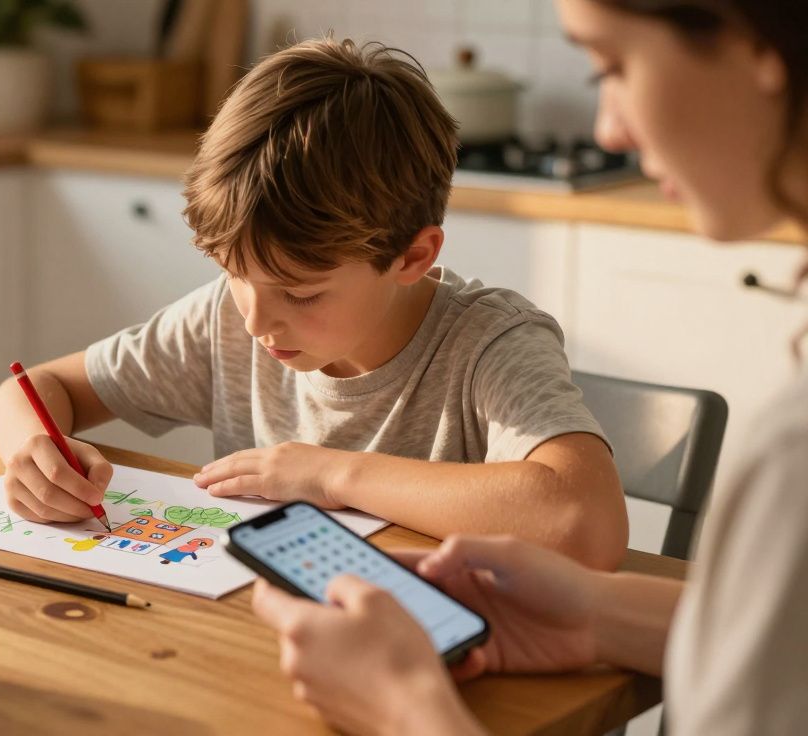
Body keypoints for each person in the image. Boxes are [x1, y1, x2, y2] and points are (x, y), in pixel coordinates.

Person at [251, 1, 808, 733]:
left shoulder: (793, 455)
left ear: (755, 44)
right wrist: (599, 615)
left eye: (612, 65)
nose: (608, 129)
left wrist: (405, 709)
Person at [0, 38, 627, 569]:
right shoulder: (222, 322)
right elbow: (34, 389)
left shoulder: (490, 345)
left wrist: (329, 476)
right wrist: (33, 452)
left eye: (300, 293)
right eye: (235, 274)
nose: (255, 320)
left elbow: (583, 521)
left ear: (411, 257)